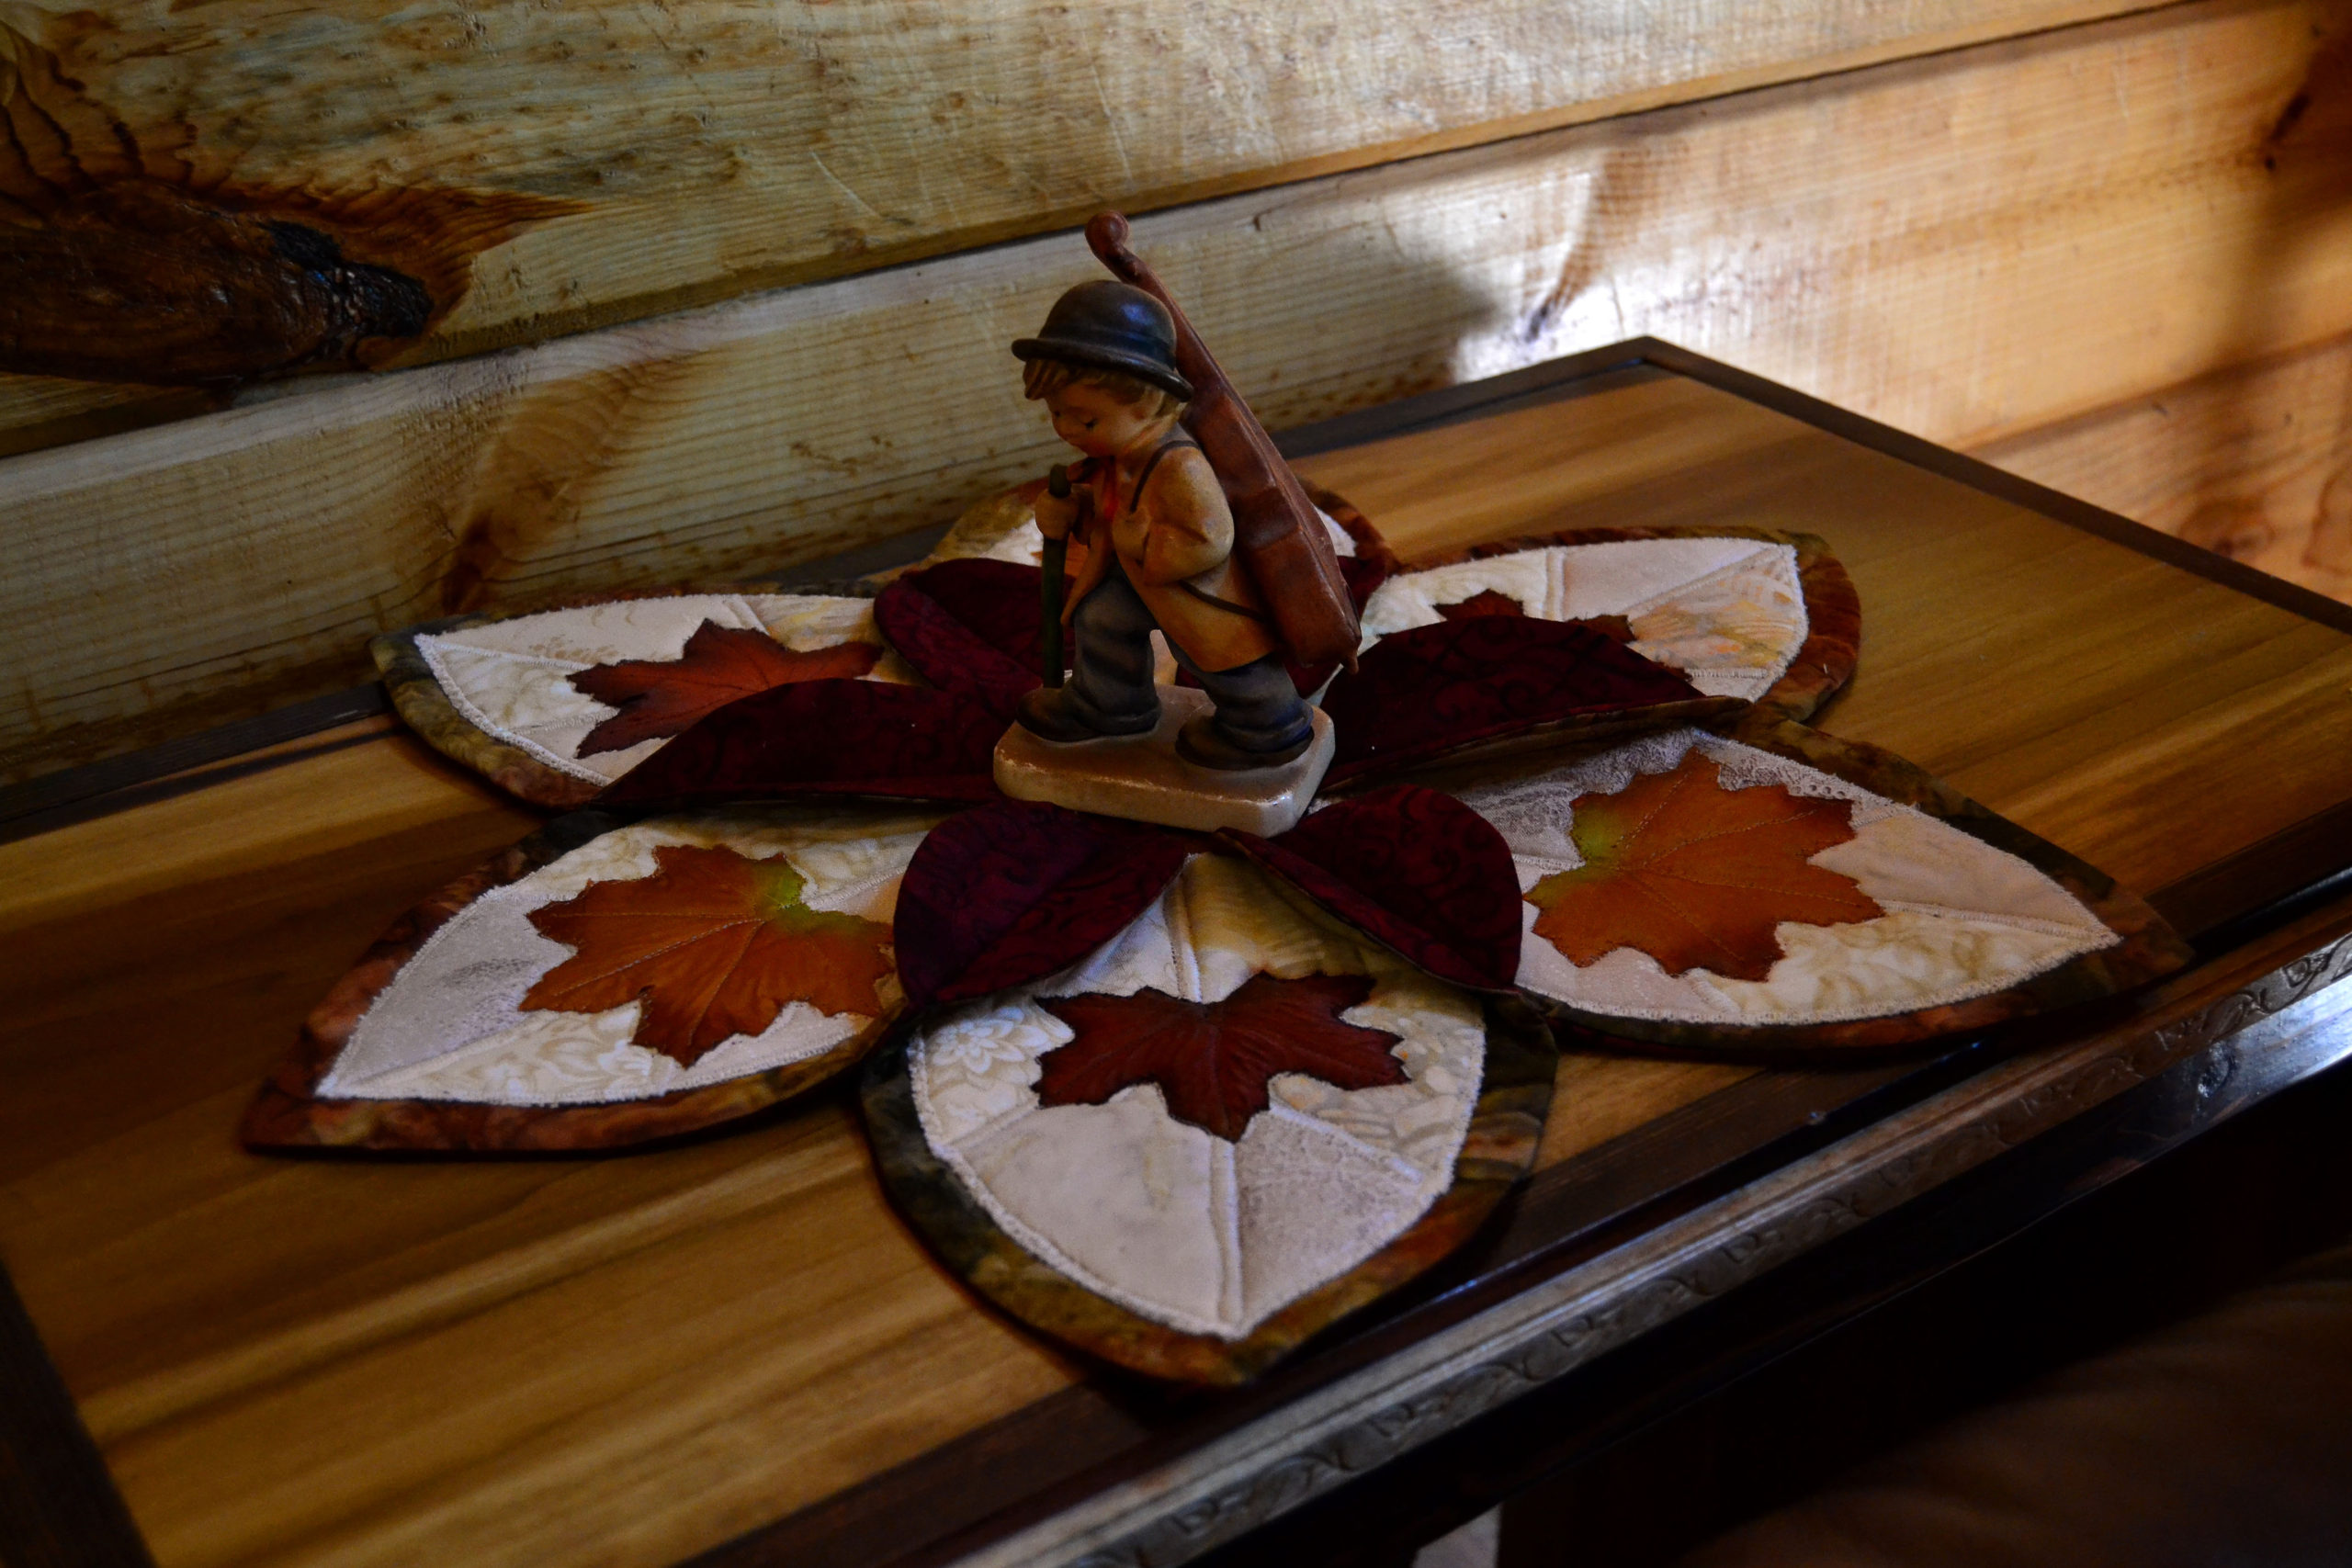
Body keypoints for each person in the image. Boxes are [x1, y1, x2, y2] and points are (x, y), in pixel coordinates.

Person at [1011, 281, 1315, 770]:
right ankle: (1109, 704)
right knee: (1103, 617)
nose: (1067, 430)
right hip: (1141, 580)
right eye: (1057, 414)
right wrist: (1073, 514)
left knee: (1224, 660)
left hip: (1200, 593)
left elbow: (1210, 538)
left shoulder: (1180, 464)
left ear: (1147, 404)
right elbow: (1113, 511)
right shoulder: (1119, 455)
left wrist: (1143, 539)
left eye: (1085, 420)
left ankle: (1270, 725)